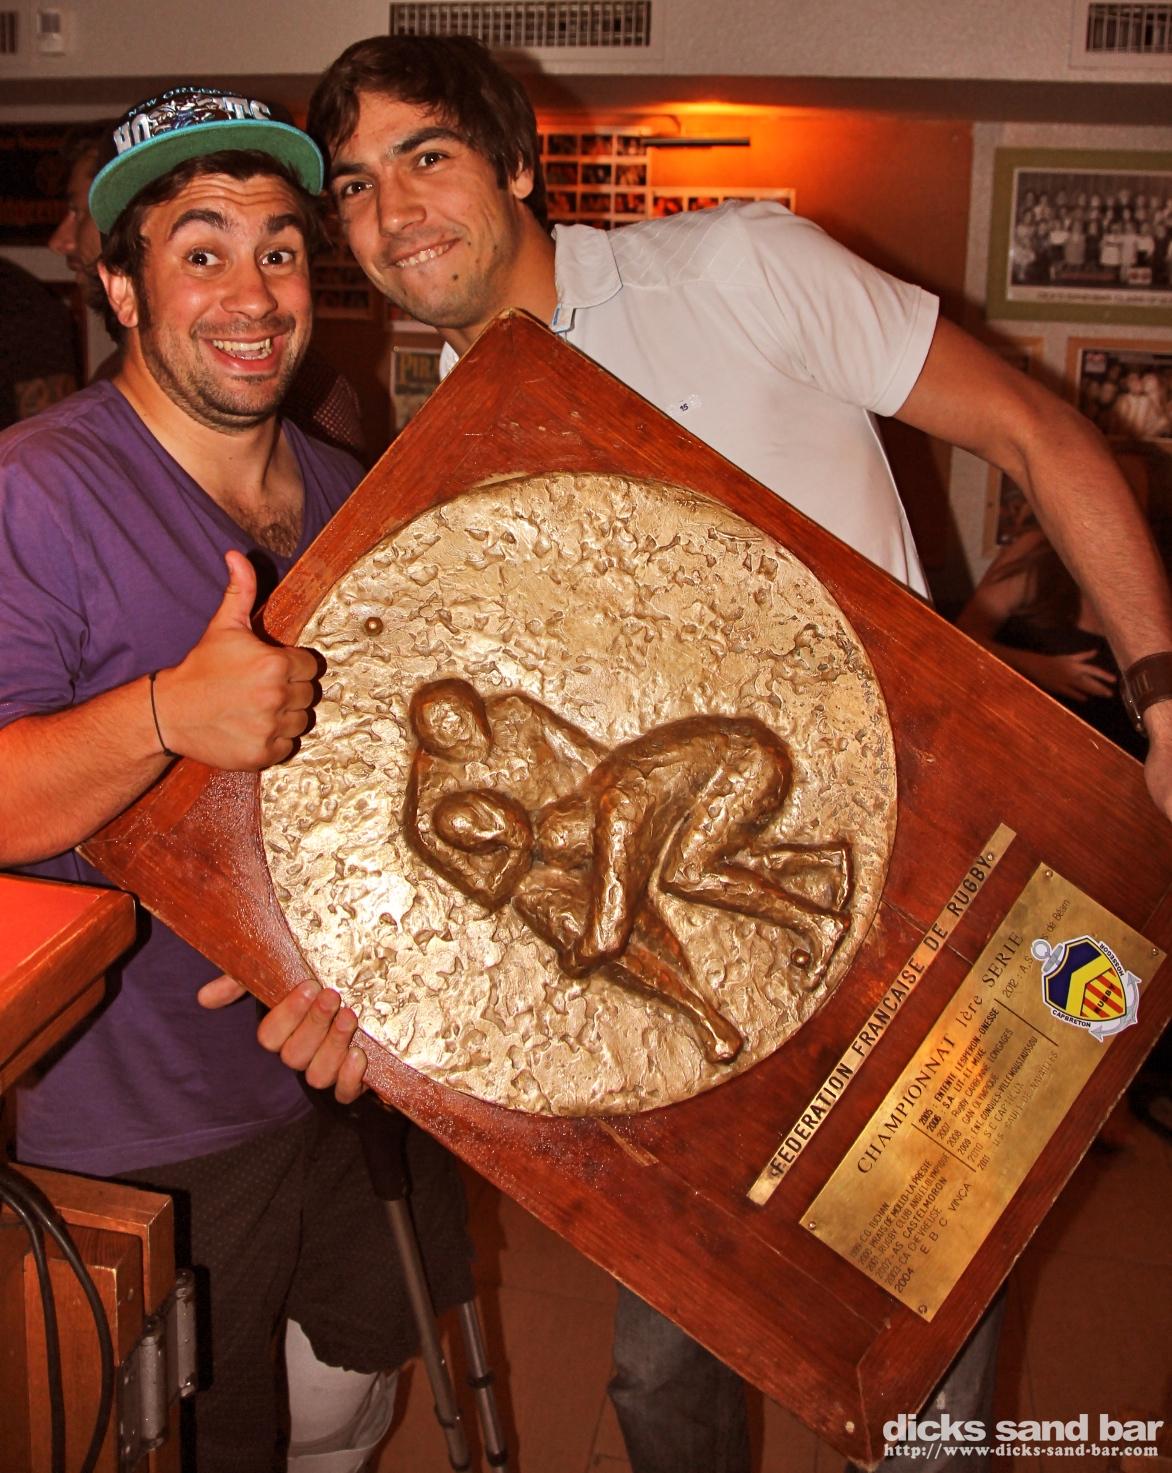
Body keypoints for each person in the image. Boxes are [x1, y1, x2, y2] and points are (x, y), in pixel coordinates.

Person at [304, 35, 1172, 1473]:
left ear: (516, 164)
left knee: (922, 1389)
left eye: (426, 156)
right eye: (352, 185)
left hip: (934, 899)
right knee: (662, 1379)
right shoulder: (452, 447)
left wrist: (1162, 694)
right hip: (710, 957)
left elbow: (1036, 432)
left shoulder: (737, 269)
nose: (391, 213)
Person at [0, 87, 471, 1473]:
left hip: (357, 1056)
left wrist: (376, 965)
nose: (252, 293)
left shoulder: (345, 488)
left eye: (278, 249)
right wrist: (165, 713)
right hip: (145, 1111)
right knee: (205, 1439)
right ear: (121, 290)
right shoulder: (36, 492)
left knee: (356, 1390)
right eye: (199, 250)